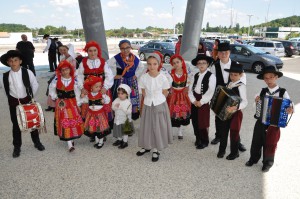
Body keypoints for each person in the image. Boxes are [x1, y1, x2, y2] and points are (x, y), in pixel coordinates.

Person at [245, 66, 293, 172]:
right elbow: (255, 106)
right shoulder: (262, 91)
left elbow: (290, 104)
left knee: (271, 144)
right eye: (266, 78)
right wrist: (257, 101)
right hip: (261, 121)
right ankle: (253, 159)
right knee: (256, 141)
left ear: (276, 77)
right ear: (263, 79)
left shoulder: (283, 92)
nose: (268, 80)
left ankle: (267, 163)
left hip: (274, 124)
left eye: (271, 77)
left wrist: (290, 109)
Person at [1, 50, 45, 158]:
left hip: (27, 100)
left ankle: (37, 142)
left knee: (33, 122)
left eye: (16, 60)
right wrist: (12, 99)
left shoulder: (27, 72)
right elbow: (5, 89)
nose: (13, 63)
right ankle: (17, 147)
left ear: (20, 61)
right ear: (8, 63)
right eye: (11, 61)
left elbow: (35, 85)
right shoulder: (5, 76)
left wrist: (30, 97)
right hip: (14, 102)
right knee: (16, 125)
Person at [210, 42, 247, 152]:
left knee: (234, 121)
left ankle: (237, 141)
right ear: (218, 54)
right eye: (221, 52)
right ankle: (218, 136)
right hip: (220, 95)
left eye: (226, 52)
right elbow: (212, 81)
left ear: (229, 53)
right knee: (218, 117)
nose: (223, 54)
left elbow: (243, 80)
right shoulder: (214, 66)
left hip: (234, 97)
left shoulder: (236, 64)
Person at [137, 53, 173, 162]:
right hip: (148, 104)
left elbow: (165, 91)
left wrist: (159, 100)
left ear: (159, 64)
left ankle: (156, 149)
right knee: (147, 125)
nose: (152, 67)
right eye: (149, 64)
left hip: (159, 104)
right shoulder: (144, 77)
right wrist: (148, 99)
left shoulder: (163, 77)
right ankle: (147, 145)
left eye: (154, 64)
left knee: (158, 126)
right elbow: (143, 91)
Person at [77, 41, 114, 132]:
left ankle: (103, 129)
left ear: (98, 51)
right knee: (90, 110)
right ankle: (91, 129)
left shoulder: (102, 62)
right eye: (90, 51)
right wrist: (82, 88)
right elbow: (79, 76)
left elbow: (109, 75)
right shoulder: (83, 62)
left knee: (102, 109)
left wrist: (105, 87)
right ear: (87, 51)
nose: (93, 53)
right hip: (88, 90)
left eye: (94, 50)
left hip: (101, 90)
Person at [49, 61, 84, 152]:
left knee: (72, 120)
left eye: (67, 69)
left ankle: (71, 138)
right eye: (62, 70)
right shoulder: (56, 79)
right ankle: (69, 144)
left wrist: (78, 104)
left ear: (70, 70)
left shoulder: (75, 80)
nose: (65, 72)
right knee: (64, 120)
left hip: (72, 103)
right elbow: (51, 89)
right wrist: (55, 97)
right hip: (61, 104)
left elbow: (77, 93)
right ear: (60, 71)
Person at [217, 63, 248, 160]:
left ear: (241, 75)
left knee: (234, 132)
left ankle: (235, 152)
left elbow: (245, 102)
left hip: (236, 113)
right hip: (226, 112)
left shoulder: (241, 86)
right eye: (231, 74)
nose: (233, 77)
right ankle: (222, 150)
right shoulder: (229, 84)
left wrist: (235, 108)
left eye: (235, 75)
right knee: (223, 131)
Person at [107, 40, 144, 120]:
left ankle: (132, 114)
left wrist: (136, 75)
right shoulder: (116, 59)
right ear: (120, 49)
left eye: (127, 47)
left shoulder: (135, 58)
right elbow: (108, 66)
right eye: (123, 48)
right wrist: (114, 75)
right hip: (121, 81)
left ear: (130, 47)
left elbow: (141, 67)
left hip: (132, 82)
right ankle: (119, 115)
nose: (125, 50)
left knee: (133, 97)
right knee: (120, 97)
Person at [189, 54, 216, 149]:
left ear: (208, 64)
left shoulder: (211, 76)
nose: (201, 65)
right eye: (199, 63)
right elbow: (190, 89)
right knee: (195, 120)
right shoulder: (195, 75)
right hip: (195, 100)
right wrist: (193, 100)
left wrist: (201, 101)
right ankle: (198, 137)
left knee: (203, 121)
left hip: (203, 101)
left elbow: (210, 91)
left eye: (204, 63)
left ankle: (204, 140)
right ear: (196, 65)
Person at [81, 75, 111, 149]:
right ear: (91, 88)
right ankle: (97, 141)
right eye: (96, 87)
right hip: (91, 114)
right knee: (94, 128)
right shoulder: (88, 95)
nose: (99, 88)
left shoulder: (102, 94)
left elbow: (108, 100)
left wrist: (104, 100)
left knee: (100, 128)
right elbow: (84, 101)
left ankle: (100, 142)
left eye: (100, 86)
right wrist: (82, 97)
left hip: (100, 114)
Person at [167, 55, 192, 140]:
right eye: (174, 63)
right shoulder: (171, 73)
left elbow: (189, 83)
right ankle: (171, 131)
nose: (176, 64)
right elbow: (168, 84)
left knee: (181, 113)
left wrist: (187, 88)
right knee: (173, 112)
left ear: (182, 62)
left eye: (177, 62)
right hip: (173, 95)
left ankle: (180, 131)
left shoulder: (187, 73)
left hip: (182, 96)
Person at [112, 84, 134, 149]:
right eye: (118, 93)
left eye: (122, 94)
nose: (120, 95)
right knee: (118, 129)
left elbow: (129, 112)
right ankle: (119, 139)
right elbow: (113, 107)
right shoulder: (116, 100)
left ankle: (125, 142)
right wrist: (115, 107)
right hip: (117, 119)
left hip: (124, 120)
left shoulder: (128, 102)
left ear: (127, 94)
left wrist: (122, 108)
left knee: (125, 132)